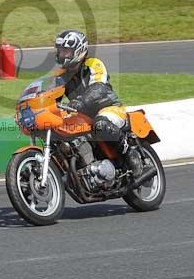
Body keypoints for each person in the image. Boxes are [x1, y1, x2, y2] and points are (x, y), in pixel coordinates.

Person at [53, 29, 144, 176]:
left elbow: (98, 87)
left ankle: (130, 153)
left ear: (78, 50)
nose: (62, 54)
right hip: (83, 115)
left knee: (100, 124)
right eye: (60, 51)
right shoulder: (61, 75)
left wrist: (81, 102)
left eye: (66, 51)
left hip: (108, 108)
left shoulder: (93, 64)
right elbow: (51, 94)